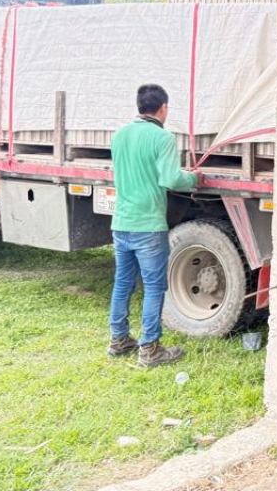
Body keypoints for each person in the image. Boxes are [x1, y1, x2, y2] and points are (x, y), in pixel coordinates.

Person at [108, 84, 201, 367]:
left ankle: (118, 339)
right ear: (163, 108)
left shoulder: (119, 135)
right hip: (148, 225)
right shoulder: (162, 137)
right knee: (153, 287)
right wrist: (194, 178)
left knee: (122, 283)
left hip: (121, 222)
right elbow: (170, 179)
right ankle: (149, 349)